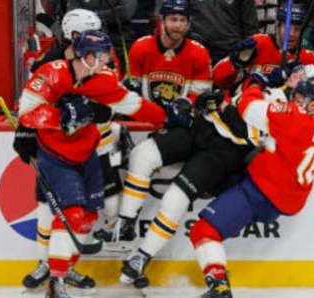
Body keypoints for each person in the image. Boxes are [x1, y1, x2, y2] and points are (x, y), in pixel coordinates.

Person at [16, 30, 179, 298]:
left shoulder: (104, 79)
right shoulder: (51, 72)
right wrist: (65, 114)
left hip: (88, 152)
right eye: (103, 55)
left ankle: (63, 269)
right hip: (55, 154)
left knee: (87, 218)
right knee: (72, 214)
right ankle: (56, 284)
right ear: (86, 55)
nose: (107, 60)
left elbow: (132, 104)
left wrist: (166, 116)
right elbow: (26, 112)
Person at [189, 65, 314, 298]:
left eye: (299, 96)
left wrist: (256, 83)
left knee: (202, 230)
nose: (293, 98)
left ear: (312, 104)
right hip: (290, 196)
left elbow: (248, 107)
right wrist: (294, 81)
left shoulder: (292, 118)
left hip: (261, 193)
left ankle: (219, 287)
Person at [92, 0, 213, 245]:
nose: (178, 25)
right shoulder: (141, 48)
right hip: (146, 122)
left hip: (180, 128)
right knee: (108, 147)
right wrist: (131, 91)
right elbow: (130, 92)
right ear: (162, 21)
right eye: (173, 19)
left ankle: (124, 223)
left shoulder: (198, 52)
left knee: (141, 160)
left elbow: (198, 98)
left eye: (182, 20)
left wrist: (181, 107)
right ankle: (115, 220)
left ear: (188, 23)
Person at [14, 9, 111, 291]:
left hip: (92, 147)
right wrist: (25, 133)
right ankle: (49, 265)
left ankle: (63, 268)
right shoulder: (50, 61)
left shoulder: (101, 61)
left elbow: (105, 106)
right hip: (54, 150)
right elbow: (31, 101)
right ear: (73, 35)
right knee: (49, 209)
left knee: (83, 213)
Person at [213, 2, 314, 90]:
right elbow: (218, 79)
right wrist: (236, 62)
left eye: (297, 29)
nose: (292, 33)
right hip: (250, 106)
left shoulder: (309, 59)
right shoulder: (257, 43)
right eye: (287, 28)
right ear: (277, 27)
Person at [188, 0, 259, 65]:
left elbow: (251, 26)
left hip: (231, 55)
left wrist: (248, 56)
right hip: (198, 53)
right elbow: (181, 16)